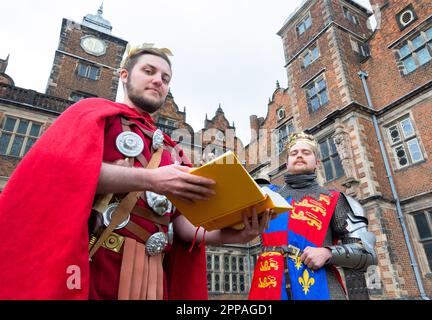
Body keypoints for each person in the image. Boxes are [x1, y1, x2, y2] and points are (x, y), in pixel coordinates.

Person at [0, 44, 270, 300]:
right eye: (149, 71)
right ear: (124, 76)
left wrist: (233, 236)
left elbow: (182, 226)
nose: (158, 81)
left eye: (165, 78)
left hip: (154, 272)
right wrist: (152, 179)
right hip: (97, 263)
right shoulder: (92, 114)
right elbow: (62, 173)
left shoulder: (172, 150)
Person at [248, 132, 377, 300]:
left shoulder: (335, 200)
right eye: (294, 153)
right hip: (268, 287)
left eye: (306, 152)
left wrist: (328, 253)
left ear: (317, 162)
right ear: (287, 163)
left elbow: (367, 253)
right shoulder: (265, 197)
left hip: (320, 287)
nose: (299, 155)